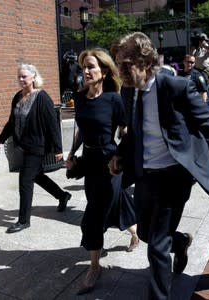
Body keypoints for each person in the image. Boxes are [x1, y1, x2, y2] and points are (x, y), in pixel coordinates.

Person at [108, 32, 209, 300]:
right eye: (117, 63)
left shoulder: (175, 86)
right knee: (145, 232)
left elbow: (205, 123)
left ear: (146, 62)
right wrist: (121, 154)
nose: (120, 70)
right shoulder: (129, 91)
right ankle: (180, 242)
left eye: (126, 64)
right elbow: (133, 132)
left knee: (156, 245)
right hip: (145, 175)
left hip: (173, 177)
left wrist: (192, 160)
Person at [65, 48, 139, 295]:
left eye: (91, 67)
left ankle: (94, 267)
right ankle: (135, 234)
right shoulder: (81, 98)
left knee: (93, 216)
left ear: (104, 71)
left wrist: (120, 156)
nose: (85, 71)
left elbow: (126, 131)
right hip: (89, 162)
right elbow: (80, 129)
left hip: (110, 163)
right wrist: (71, 153)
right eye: (83, 67)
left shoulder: (114, 99)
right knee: (114, 204)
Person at [0, 63, 71, 233]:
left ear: (34, 77)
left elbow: (52, 124)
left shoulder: (42, 97)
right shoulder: (17, 97)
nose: (21, 79)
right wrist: (1, 139)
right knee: (37, 176)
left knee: (25, 181)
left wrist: (58, 149)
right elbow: (11, 121)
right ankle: (62, 195)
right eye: (19, 76)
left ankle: (23, 220)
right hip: (24, 146)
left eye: (24, 76)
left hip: (38, 146)